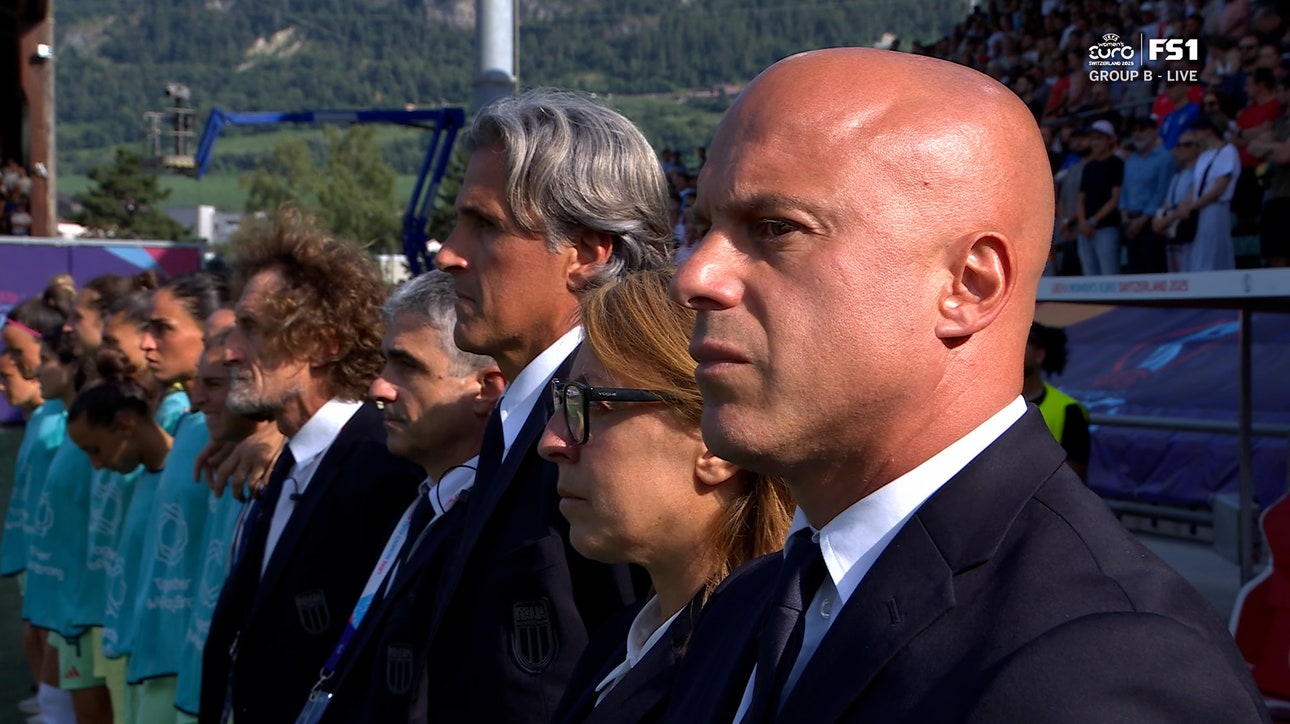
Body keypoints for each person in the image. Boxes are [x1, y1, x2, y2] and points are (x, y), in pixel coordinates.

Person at [664, 48, 1268, 723]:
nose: (695, 275)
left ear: (969, 285)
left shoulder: (1107, 671)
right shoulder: (747, 608)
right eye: (706, 225)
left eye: (775, 228)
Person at [415, 88, 672, 723]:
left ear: (587, 253)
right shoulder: (526, 414)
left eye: (485, 226)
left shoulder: (627, 426)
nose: (446, 253)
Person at [541, 270, 794, 724]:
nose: (553, 441)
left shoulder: (765, 675)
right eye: (561, 400)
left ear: (717, 441)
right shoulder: (621, 643)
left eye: (591, 403)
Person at [200, 210, 421, 724]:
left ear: (326, 344)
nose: (230, 353)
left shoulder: (384, 467)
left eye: (251, 330)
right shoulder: (294, 456)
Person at [293, 271, 504, 723]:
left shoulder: (497, 530)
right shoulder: (419, 501)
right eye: (385, 363)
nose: (379, 388)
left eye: (407, 366)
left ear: (486, 388)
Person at [64, 347, 171, 724]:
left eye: (95, 449)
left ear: (125, 424)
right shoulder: (141, 480)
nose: (96, 464)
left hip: (175, 667)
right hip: (139, 655)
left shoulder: (190, 476)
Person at [1023, 322, 1090, 481]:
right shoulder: (991, 404)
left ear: (1040, 355)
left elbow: (1074, 478)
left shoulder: (1069, 410)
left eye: (1022, 343)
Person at [1182, 115, 1240, 271]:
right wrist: (1186, 205)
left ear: (1208, 131)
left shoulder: (1227, 151)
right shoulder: (1204, 155)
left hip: (1215, 207)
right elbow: (1196, 185)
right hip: (1200, 209)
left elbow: (1219, 188)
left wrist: (1193, 205)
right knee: (1199, 253)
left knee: (1211, 253)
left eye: (1198, 131)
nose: (1195, 135)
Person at [1119, 117, 1176, 274]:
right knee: (1134, 271)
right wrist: (1125, 217)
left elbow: (1162, 191)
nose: (1137, 134)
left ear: (1154, 131)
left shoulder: (1165, 157)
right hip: (1131, 222)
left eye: (1142, 129)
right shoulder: (1131, 160)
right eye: (1134, 130)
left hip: (1152, 223)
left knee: (1153, 270)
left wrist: (1143, 219)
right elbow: (1125, 189)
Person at [1076, 119, 1124, 275]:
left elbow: (1115, 198)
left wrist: (1093, 221)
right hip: (1085, 230)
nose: (1094, 143)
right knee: (1088, 275)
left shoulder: (1117, 164)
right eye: (1092, 138)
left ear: (1109, 140)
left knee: (1109, 273)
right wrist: (1083, 222)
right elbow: (1081, 197)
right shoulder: (1089, 167)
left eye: (1099, 138)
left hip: (1107, 228)